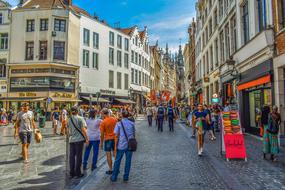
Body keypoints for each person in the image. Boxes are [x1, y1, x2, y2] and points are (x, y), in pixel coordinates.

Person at [111, 110, 135, 182]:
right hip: (130, 145)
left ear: (122, 115)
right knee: (128, 161)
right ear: (128, 116)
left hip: (121, 145)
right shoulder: (132, 123)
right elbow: (133, 134)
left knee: (117, 161)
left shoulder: (118, 124)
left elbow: (116, 136)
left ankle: (114, 177)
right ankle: (126, 177)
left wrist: (115, 147)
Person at [67, 106, 89, 179]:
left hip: (71, 140)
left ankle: (71, 173)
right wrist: (87, 139)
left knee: (72, 157)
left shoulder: (69, 119)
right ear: (77, 111)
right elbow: (84, 129)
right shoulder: (80, 118)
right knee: (79, 157)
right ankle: (78, 173)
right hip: (79, 140)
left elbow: (67, 130)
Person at [100, 108, 118, 175]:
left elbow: (102, 134)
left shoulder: (103, 122)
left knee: (108, 155)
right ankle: (116, 168)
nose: (101, 115)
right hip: (115, 139)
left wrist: (101, 143)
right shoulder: (114, 119)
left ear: (104, 114)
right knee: (115, 153)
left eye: (101, 114)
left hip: (107, 139)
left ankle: (110, 169)